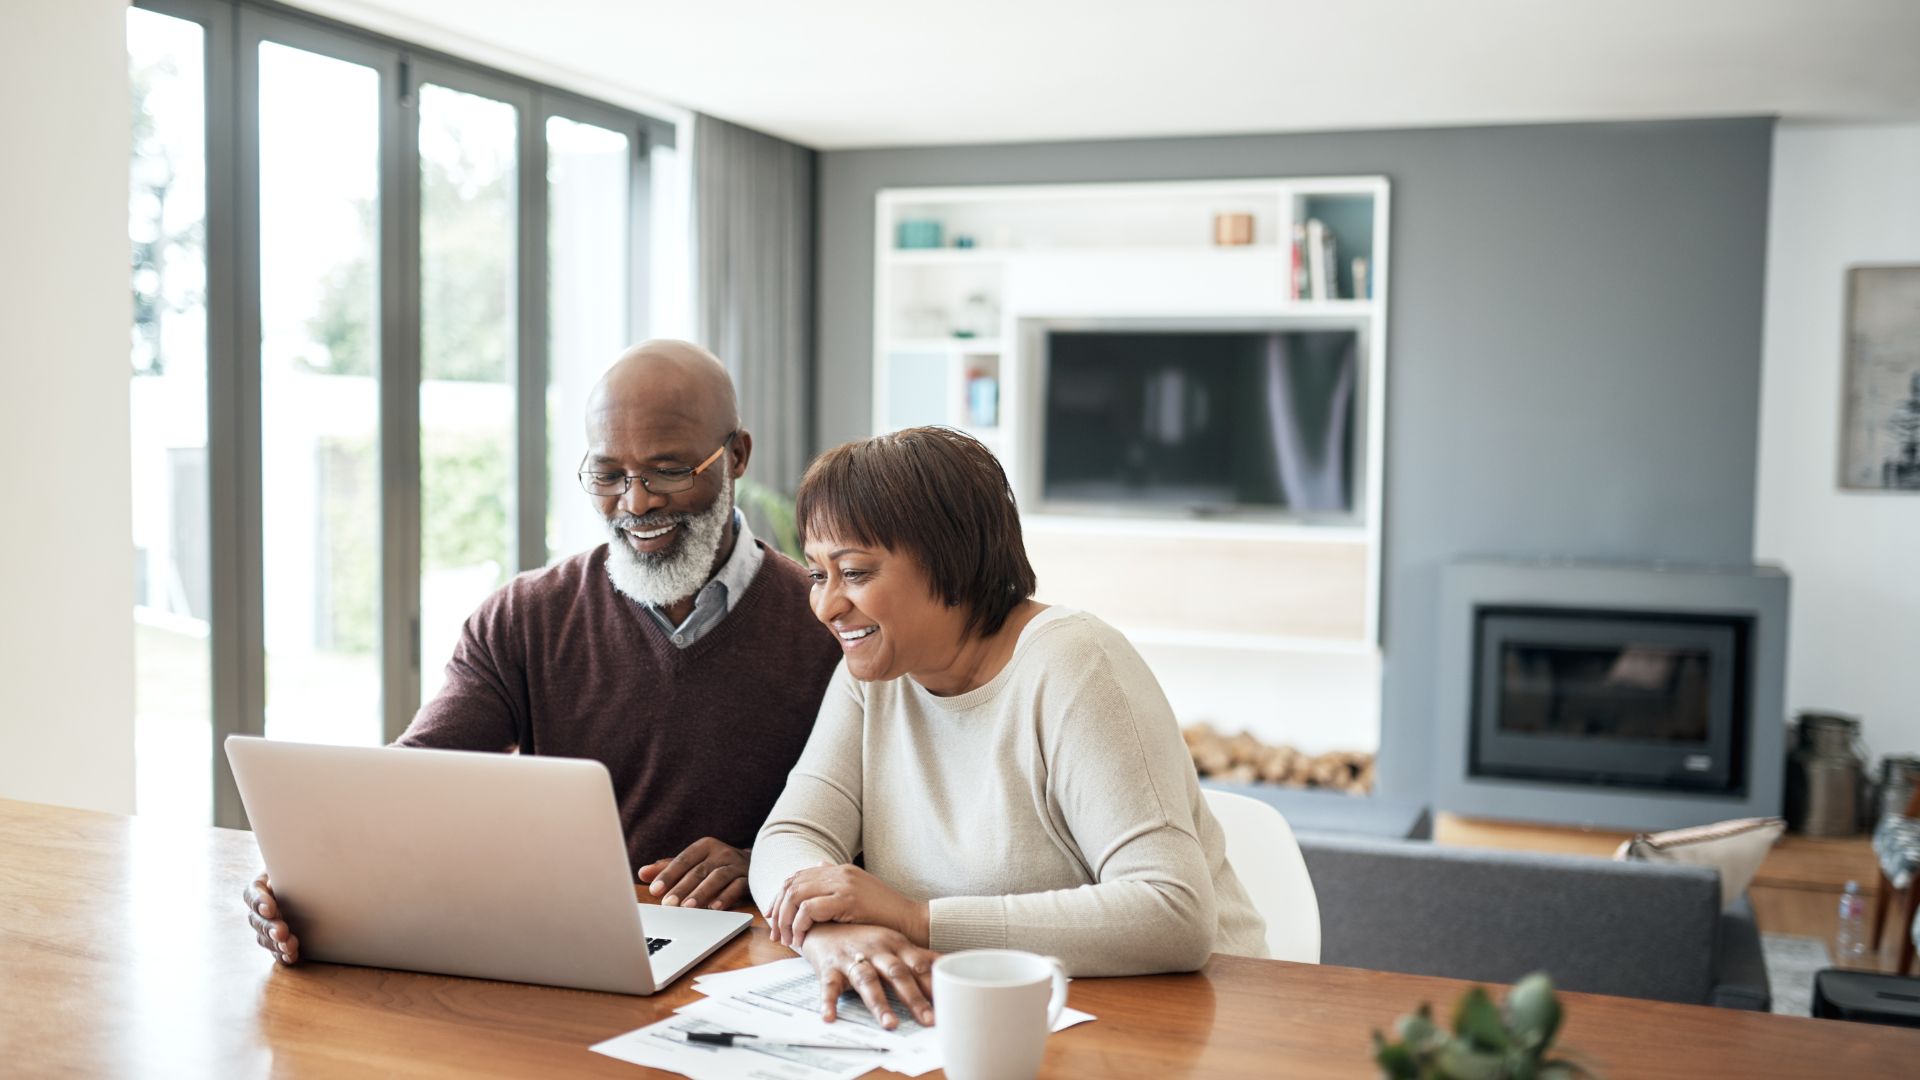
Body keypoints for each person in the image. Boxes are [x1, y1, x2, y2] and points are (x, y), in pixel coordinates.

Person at [244, 340, 842, 964]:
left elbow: (884, 844)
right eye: (609, 475)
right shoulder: (525, 617)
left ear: (736, 456)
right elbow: (411, 786)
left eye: (668, 470)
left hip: (755, 960)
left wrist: (766, 863)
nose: (636, 503)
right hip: (571, 953)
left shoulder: (827, 624)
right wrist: (307, 878)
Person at [748, 426, 1268, 1031]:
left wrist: (917, 920)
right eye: (818, 574)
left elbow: (1172, 914)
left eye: (856, 573)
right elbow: (790, 834)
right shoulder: (873, 675)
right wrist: (831, 936)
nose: (827, 605)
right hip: (993, 1014)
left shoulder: (1075, 665)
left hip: (1190, 1018)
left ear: (954, 563)